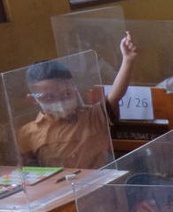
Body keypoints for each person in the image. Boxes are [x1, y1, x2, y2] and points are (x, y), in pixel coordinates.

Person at [19, 32, 138, 169]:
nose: (60, 102)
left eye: (66, 94)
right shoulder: (28, 132)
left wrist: (127, 61)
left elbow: (115, 95)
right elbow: (28, 169)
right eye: (49, 97)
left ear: (75, 90)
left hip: (98, 184)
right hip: (60, 188)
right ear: (33, 100)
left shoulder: (93, 116)